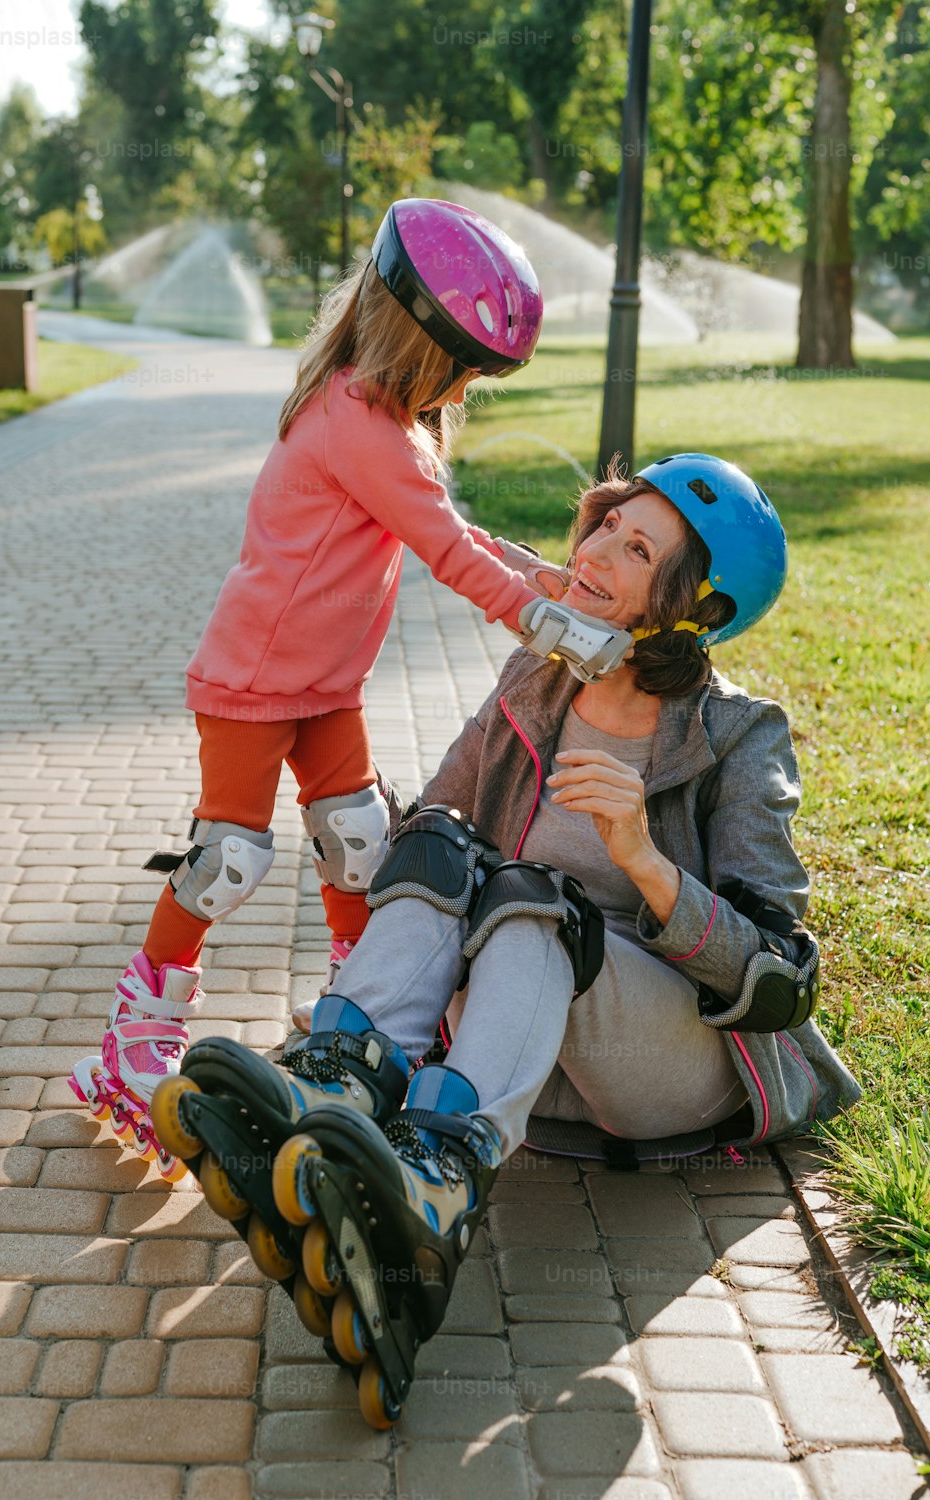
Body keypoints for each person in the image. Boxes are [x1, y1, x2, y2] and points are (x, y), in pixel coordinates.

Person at [153, 451, 861, 1425]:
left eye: (637, 547)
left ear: (690, 607)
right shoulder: (540, 675)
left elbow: (779, 980)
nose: (597, 548)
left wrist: (646, 862)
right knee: (440, 844)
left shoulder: (737, 734)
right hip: (517, 1047)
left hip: (667, 1062)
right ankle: (338, 1086)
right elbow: (433, 838)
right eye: (608, 524)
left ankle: (436, 1176)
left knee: (535, 901)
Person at [67, 197, 623, 1177]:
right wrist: (546, 624)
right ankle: (131, 1042)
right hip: (253, 682)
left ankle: (359, 1028)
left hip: (327, 687)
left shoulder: (383, 421)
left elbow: (453, 530)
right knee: (227, 860)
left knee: (359, 850)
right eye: (460, 369)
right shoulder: (357, 423)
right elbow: (446, 552)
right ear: (420, 344)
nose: (461, 389)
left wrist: (540, 577)